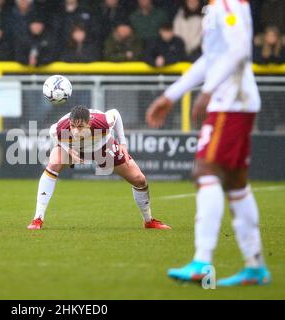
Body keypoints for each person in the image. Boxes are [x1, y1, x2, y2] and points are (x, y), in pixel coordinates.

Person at [146, 0, 271, 286]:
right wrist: (171, 95)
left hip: (231, 103)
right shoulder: (218, 5)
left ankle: (202, 262)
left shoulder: (226, 3)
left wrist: (208, 91)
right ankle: (255, 266)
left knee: (206, 172)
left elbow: (240, 50)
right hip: (234, 101)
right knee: (236, 183)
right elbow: (213, 58)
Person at [27, 105, 171, 230]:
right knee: (53, 163)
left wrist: (123, 144)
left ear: (89, 123)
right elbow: (53, 133)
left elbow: (116, 113)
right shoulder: (61, 127)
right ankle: (37, 219)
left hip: (102, 146)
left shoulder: (103, 121)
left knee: (139, 180)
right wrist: (67, 148)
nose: (75, 131)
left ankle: (149, 221)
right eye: (73, 126)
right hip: (75, 149)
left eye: (80, 127)